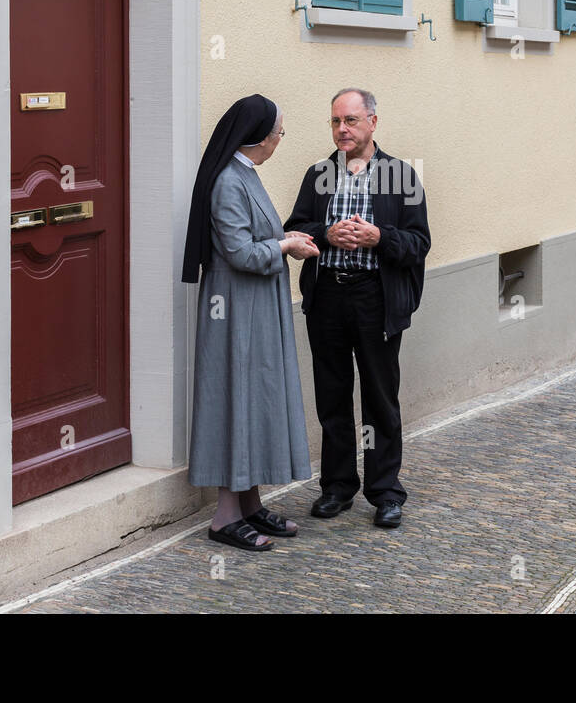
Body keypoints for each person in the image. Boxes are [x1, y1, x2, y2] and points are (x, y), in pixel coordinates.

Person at [284, 89, 430, 529]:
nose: (341, 130)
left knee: (380, 397)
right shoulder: (318, 174)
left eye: (350, 120)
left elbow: (419, 244)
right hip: (328, 294)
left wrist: (379, 238)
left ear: (372, 122)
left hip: (375, 297)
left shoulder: (400, 176)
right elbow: (295, 227)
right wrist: (326, 235)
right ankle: (337, 487)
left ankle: (385, 492)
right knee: (331, 395)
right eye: (335, 122)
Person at [181, 94, 320, 552]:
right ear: (263, 136)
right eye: (281, 133)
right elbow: (239, 253)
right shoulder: (228, 180)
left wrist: (286, 237)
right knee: (235, 399)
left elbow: (255, 235)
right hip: (234, 311)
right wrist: (285, 248)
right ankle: (224, 517)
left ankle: (249, 504)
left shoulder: (245, 174)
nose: (281, 140)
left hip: (254, 307)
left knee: (256, 397)